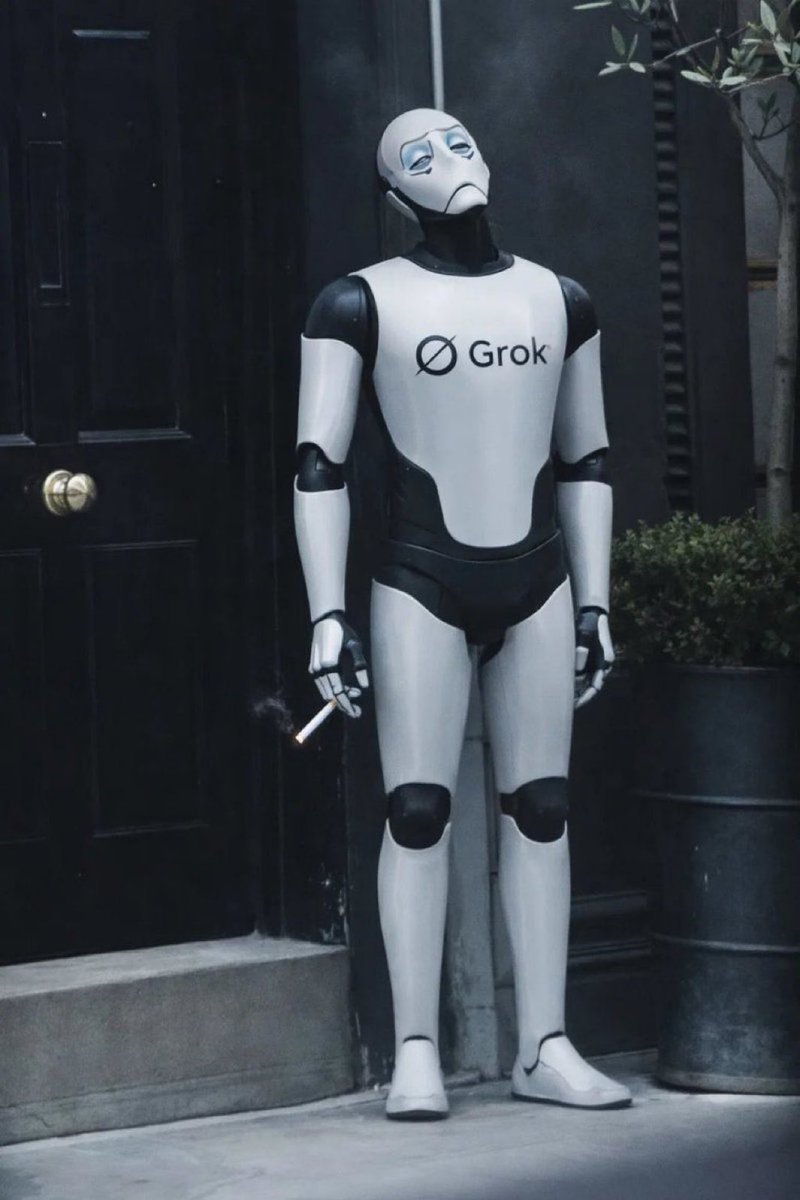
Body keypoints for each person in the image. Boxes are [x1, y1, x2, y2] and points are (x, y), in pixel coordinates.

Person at [294, 108, 632, 1119]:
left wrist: (595, 599)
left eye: (456, 143)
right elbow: (319, 466)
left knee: (542, 808)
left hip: (539, 578)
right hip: (418, 581)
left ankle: (544, 1044)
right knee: (417, 810)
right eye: (418, 156)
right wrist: (326, 614)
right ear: (393, 194)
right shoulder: (356, 304)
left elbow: (586, 457)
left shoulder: (559, 299)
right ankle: (414, 1049)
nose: (446, 163)